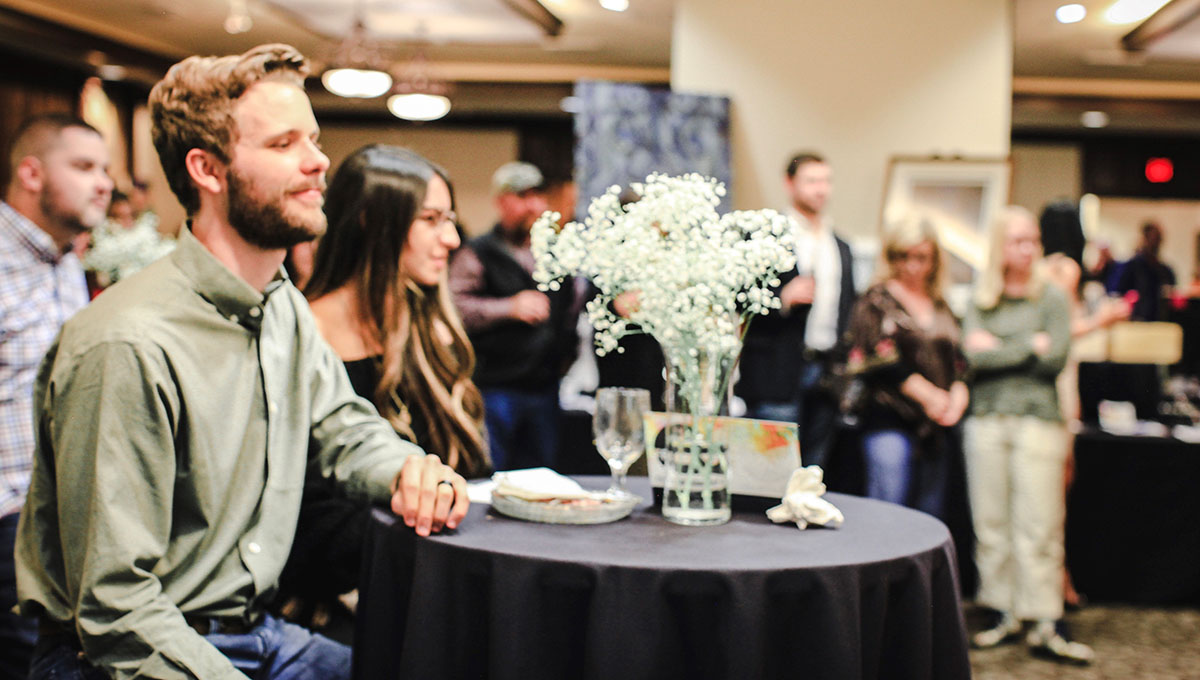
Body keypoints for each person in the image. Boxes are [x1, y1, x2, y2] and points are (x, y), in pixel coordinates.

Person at [15, 44, 468, 680]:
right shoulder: (125, 345)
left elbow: (343, 427)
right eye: (284, 145)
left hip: (255, 631)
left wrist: (407, 468)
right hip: (126, 653)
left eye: (313, 139)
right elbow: (117, 611)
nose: (318, 163)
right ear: (207, 169)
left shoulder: (280, 304)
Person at [277, 145, 490, 629]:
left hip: (444, 580)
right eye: (432, 219)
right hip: (340, 606)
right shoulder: (302, 339)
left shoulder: (431, 332)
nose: (452, 238)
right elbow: (300, 516)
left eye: (450, 219)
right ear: (374, 221)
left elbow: (472, 466)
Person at [0, 113, 112, 680]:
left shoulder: (66, 259)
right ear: (32, 172)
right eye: (85, 166)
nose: (104, 183)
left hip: (60, 516)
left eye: (107, 169)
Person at [963, 206, 1093, 664]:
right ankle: (1002, 612)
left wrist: (999, 349)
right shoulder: (980, 300)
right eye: (1018, 240)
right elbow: (973, 360)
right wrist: (1026, 347)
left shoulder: (1052, 298)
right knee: (991, 523)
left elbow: (1054, 357)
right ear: (1000, 245)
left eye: (1032, 240)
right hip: (986, 419)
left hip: (1039, 419)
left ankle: (1043, 620)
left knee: (1039, 525)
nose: (1029, 248)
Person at [448, 161, 577, 470]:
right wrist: (509, 308)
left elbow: (572, 306)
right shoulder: (477, 252)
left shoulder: (555, 253)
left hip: (545, 387)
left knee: (543, 473)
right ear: (501, 202)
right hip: (496, 388)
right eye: (522, 197)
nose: (533, 206)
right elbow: (455, 307)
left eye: (537, 196)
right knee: (494, 472)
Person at [736, 151, 855, 469]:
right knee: (769, 466)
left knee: (814, 466)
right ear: (789, 183)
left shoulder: (840, 246)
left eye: (826, 181)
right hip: (777, 370)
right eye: (812, 180)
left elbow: (848, 307)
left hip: (826, 371)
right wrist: (782, 299)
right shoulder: (766, 237)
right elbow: (738, 300)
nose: (821, 189)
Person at [844, 213, 968, 519]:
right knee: (889, 510)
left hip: (937, 425)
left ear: (934, 260)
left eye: (922, 257)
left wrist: (956, 396)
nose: (912, 266)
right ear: (891, 256)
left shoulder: (941, 302)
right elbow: (879, 359)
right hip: (889, 417)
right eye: (904, 256)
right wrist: (930, 397)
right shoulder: (876, 300)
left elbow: (958, 360)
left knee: (930, 515)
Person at [1116, 221, 1176, 321]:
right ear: (1144, 238)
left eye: (1157, 239)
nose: (1155, 243)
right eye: (1151, 238)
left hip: (1159, 322)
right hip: (1135, 322)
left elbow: (1171, 295)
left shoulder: (1165, 270)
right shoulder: (1131, 267)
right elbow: (1118, 293)